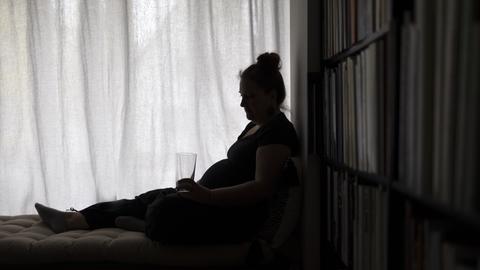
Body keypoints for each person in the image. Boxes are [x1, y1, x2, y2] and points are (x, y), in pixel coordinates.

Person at [35, 52, 299, 245]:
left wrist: (207, 196)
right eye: (241, 96)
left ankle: (146, 225)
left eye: (249, 96)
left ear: (272, 95)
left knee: (165, 210)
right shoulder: (255, 126)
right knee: (148, 197)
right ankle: (74, 219)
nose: (243, 104)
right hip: (208, 201)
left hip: (227, 216)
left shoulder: (277, 132)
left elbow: (261, 188)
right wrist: (200, 192)